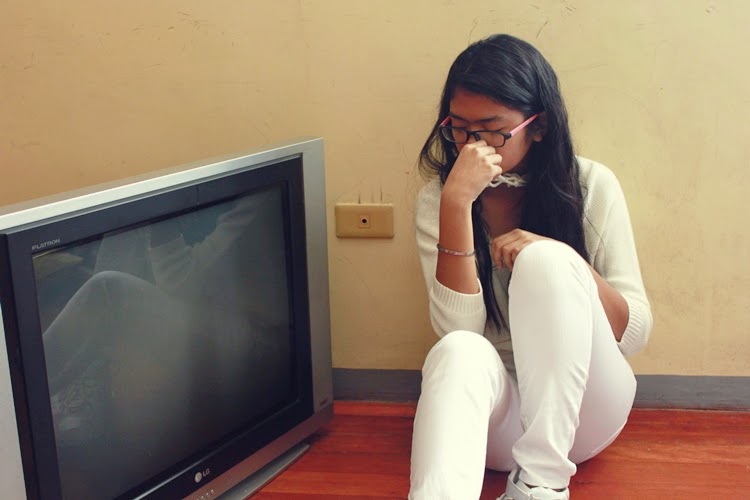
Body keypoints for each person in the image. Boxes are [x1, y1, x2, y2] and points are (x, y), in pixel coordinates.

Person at [408, 34, 653, 500]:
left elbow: (633, 334)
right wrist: (456, 203)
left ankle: (541, 484)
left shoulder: (591, 185)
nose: (472, 146)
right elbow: (459, 329)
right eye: (459, 128)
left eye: (491, 130)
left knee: (544, 261)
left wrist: (565, 261)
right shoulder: (438, 200)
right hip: (496, 421)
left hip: (587, 410)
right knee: (456, 351)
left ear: (537, 126)